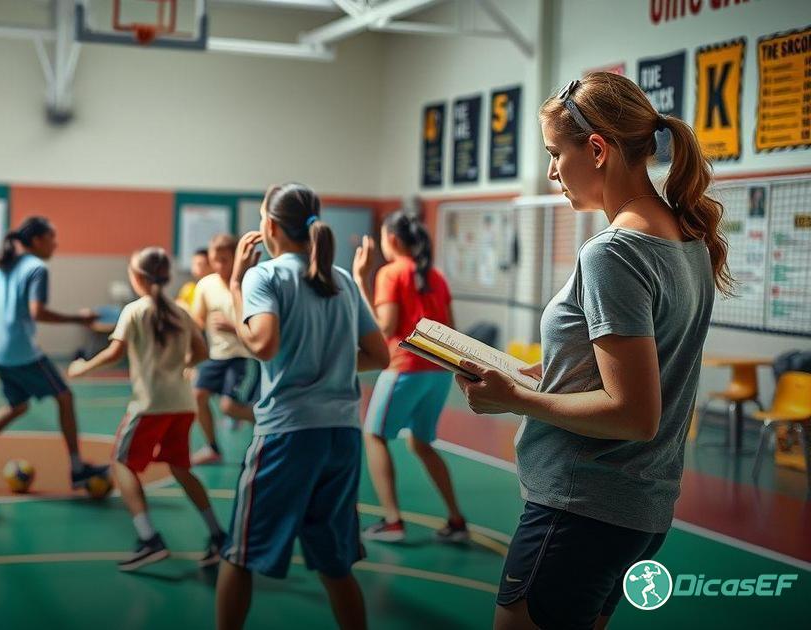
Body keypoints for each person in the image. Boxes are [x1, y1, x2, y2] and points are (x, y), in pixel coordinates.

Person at [454, 72, 729, 629]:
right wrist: (534, 374)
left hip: (581, 510)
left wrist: (517, 401)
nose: (551, 171)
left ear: (597, 150)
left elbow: (633, 413)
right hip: (637, 512)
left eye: (556, 153)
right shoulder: (687, 242)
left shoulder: (613, 253)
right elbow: (626, 370)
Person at [215, 183, 389, 630]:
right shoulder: (342, 279)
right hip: (342, 436)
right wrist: (327, 358)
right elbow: (378, 355)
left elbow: (263, 343)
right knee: (335, 564)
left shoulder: (264, 276)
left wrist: (235, 285)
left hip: (287, 434)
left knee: (239, 552)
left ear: (269, 226)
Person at [68, 247, 225, 571]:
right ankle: (218, 536)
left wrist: (82, 368)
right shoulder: (181, 312)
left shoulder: (135, 311)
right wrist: (178, 366)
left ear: (137, 277)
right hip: (181, 404)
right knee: (181, 468)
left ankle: (148, 538)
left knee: (121, 464)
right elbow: (201, 351)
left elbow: (114, 353)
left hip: (150, 405)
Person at [0, 216, 108, 491]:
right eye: (53, 238)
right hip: (21, 353)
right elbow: (37, 312)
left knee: (18, 405)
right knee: (64, 397)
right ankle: (76, 469)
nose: (56, 244)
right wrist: (79, 318)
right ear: (38, 241)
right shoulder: (37, 268)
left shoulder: (6, 265)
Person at [352, 210, 468, 543]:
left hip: (404, 368)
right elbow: (452, 329)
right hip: (438, 373)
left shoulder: (390, 274)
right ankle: (456, 520)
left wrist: (361, 281)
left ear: (391, 240)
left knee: (374, 435)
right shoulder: (436, 275)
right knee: (421, 442)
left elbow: (384, 328)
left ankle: (392, 521)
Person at [189, 234, 258, 465]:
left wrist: (234, 328)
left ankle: (271, 421)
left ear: (236, 257)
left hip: (243, 356)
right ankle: (213, 449)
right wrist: (189, 358)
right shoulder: (205, 286)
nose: (218, 266)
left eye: (224, 260)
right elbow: (197, 322)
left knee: (229, 407)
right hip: (216, 356)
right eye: (214, 260)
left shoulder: (249, 284)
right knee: (197, 396)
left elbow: (260, 329)